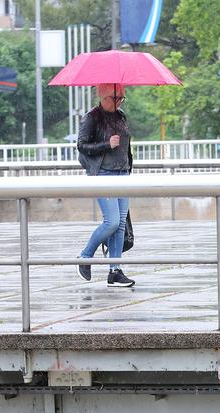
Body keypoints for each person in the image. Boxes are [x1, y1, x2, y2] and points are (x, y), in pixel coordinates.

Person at [75, 82, 135, 287]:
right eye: (114, 98)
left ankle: (114, 271)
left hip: (122, 173)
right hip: (103, 173)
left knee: (120, 225)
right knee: (112, 222)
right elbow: (82, 145)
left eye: (121, 98)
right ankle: (85, 257)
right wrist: (106, 144)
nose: (118, 102)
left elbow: (127, 147)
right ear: (102, 96)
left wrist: (128, 167)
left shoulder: (121, 116)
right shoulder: (92, 117)